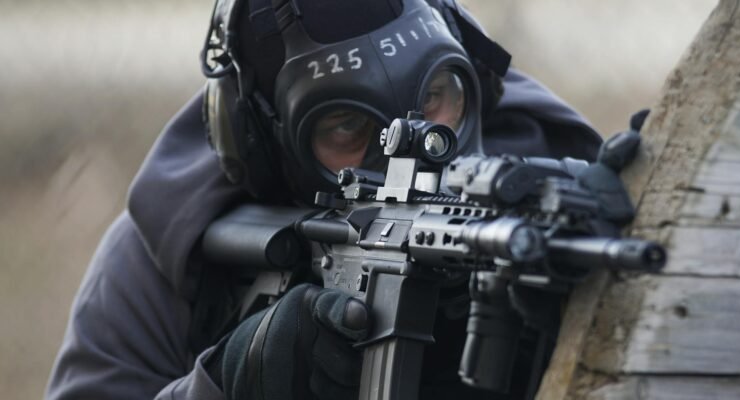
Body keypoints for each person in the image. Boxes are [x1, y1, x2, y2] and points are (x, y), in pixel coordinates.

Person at [46, 0, 601, 399]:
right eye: (345, 126)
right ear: (262, 143)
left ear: (474, 81)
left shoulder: (554, 188)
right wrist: (222, 384)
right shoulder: (170, 251)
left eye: (434, 97)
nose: (410, 146)